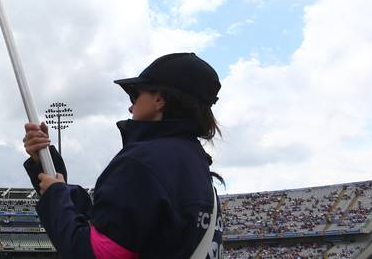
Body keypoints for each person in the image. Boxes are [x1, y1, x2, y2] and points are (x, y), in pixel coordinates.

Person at [22, 53, 224, 259]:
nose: (130, 106)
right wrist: (54, 180)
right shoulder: (194, 162)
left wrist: (55, 197)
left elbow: (94, 253)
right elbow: (111, 225)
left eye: (135, 95)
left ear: (158, 99)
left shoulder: (144, 162)